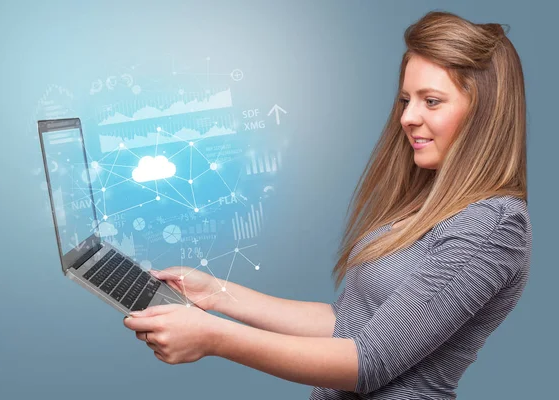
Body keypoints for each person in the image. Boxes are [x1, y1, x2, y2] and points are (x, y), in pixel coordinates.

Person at [123, 10, 531, 400]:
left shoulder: (492, 228)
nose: (407, 116)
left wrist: (214, 336)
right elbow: (348, 324)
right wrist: (216, 294)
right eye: (406, 99)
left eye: (432, 101)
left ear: (484, 112)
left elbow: (368, 362)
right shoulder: (431, 204)